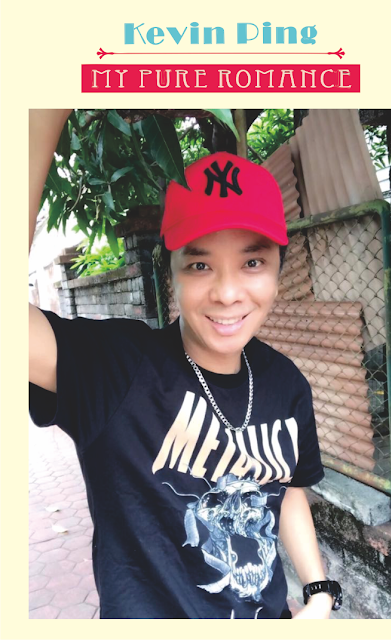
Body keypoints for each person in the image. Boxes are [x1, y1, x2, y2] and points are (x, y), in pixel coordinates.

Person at [29, 109, 342, 619]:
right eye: (199, 264)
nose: (227, 293)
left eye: (252, 262)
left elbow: (284, 492)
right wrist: (41, 114)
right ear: (169, 272)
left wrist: (320, 591)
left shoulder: (286, 383)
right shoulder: (116, 370)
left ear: (278, 271)